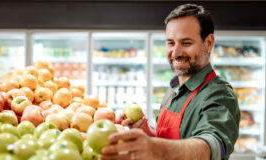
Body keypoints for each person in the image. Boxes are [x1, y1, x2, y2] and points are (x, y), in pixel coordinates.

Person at [100, 3, 240, 160]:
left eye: (186, 43)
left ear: (208, 44)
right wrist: (146, 131)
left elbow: (209, 147)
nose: (176, 52)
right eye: (171, 43)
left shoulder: (219, 94)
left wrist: (157, 149)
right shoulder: (174, 88)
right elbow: (170, 141)